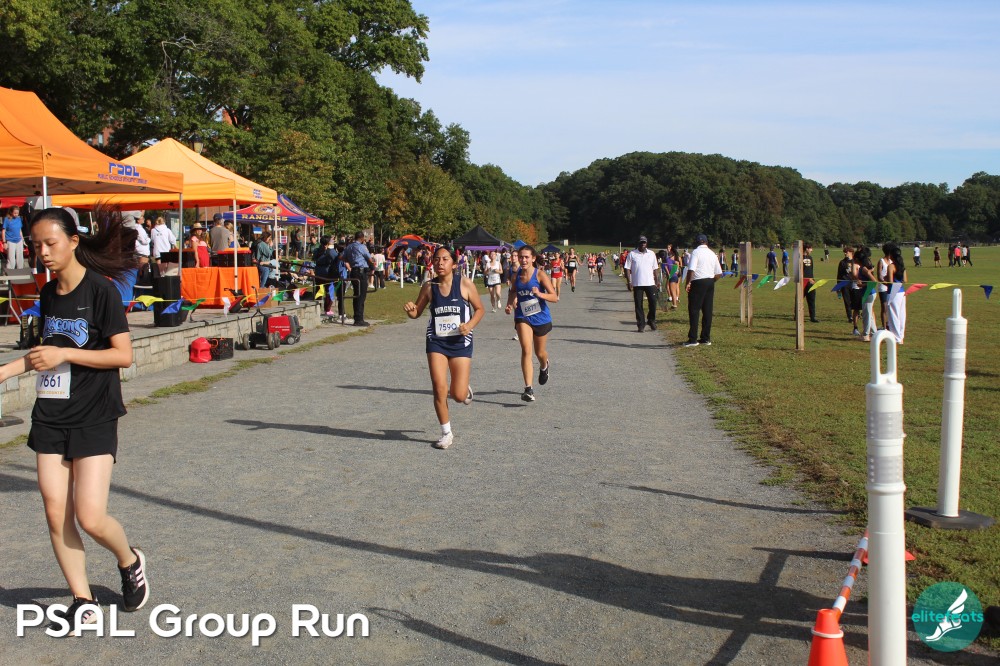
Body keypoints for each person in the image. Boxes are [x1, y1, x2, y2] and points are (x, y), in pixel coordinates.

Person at [0, 208, 148, 635]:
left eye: (51, 243)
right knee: (55, 512)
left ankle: (129, 560)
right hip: (50, 414)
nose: (43, 252)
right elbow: (44, 354)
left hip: (95, 414)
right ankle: (83, 600)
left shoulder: (101, 291)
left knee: (90, 516)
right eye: (36, 245)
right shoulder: (48, 294)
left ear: (73, 241)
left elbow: (123, 355)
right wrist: (6, 371)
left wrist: (66, 353)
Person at [404, 247, 484, 449]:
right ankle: (446, 433)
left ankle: (463, 389)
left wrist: (469, 325)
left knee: (457, 395)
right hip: (436, 342)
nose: (440, 263)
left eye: (445, 259)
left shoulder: (464, 284)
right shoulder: (429, 287)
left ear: (454, 264)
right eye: (437, 259)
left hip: (460, 343)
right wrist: (411, 310)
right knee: (439, 387)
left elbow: (479, 309)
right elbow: (416, 312)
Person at [505, 245, 558, 402]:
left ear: (533, 258)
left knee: (539, 353)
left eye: (526, 257)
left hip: (541, 318)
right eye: (521, 257)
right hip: (523, 316)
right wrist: (509, 304)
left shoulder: (540, 275)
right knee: (526, 350)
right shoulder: (516, 276)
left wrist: (539, 294)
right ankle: (528, 389)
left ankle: (544, 365)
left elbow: (554, 297)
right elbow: (513, 291)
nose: (523, 260)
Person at [683, 234, 723, 347]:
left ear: (697, 242)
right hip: (710, 281)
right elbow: (719, 273)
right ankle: (705, 338)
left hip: (698, 282)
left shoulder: (695, 252)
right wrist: (711, 281)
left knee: (694, 310)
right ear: (706, 242)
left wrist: (688, 283)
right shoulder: (712, 253)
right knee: (707, 310)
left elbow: (691, 269)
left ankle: (693, 339)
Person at [624, 236, 660, 332]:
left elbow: (655, 268)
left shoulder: (651, 254)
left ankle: (651, 320)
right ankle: (641, 324)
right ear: (638, 243)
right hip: (637, 283)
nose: (643, 244)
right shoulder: (632, 254)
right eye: (641, 242)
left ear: (646, 243)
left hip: (650, 282)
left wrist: (657, 281)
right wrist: (629, 281)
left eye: (644, 242)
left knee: (653, 301)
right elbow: (627, 268)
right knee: (638, 304)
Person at [342, 231, 373, 326]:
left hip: (353, 271)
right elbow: (369, 258)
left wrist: (351, 261)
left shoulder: (349, 247)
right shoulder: (362, 247)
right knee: (361, 295)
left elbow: (342, 257)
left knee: (356, 294)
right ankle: (359, 319)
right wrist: (372, 264)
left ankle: (357, 317)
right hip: (361, 272)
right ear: (362, 238)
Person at [883, 242, 907, 344]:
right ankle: (900, 336)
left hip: (893, 292)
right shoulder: (902, 266)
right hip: (901, 291)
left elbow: (890, 281)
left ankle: (896, 337)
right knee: (902, 315)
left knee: (893, 315)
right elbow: (905, 280)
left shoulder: (891, 266)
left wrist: (884, 279)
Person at [3, 205, 26, 269]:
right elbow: (3, 231)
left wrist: (23, 239)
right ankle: (10, 271)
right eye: (15, 213)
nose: (16, 214)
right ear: (11, 212)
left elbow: (20, 230)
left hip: (19, 240)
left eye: (17, 213)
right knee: (11, 259)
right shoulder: (7, 219)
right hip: (10, 241)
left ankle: (20, 270)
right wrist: (4, 242)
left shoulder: (19, 219)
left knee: (20, 258)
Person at [837, 246, 855, 324]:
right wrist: (838, 286)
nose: (845, 253)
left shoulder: (855, 261)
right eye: (844, 252)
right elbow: (839, 275)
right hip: (844, 283)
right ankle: (850, 316)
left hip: (854, 283)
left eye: (846, 252)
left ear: (851, 252)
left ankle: (857, 313)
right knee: (847, 301)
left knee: (855, 300)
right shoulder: (842, 262)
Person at [802, 242, 818, 322]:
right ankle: (797, 315)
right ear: (806, 249)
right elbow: (799, 271)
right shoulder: (799, 258)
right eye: (811, 248)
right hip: (802, 282)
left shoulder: (810, 258)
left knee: (812, 299)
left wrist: (813, 279)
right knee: (799, 299)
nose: (812, 250)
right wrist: (807, 279)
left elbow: (811, 270)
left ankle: (813, 317)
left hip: (811, 282)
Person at [667, 245, 683, 309]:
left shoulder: (669, 259)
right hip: (676, 275)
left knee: (672, 291)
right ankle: (676, 300)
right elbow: (679, 265)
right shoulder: (677, 257)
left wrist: (671, 273)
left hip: (672, 275)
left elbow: (667, 267)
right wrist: (677, 270)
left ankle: (674, 304)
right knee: (676, 288)